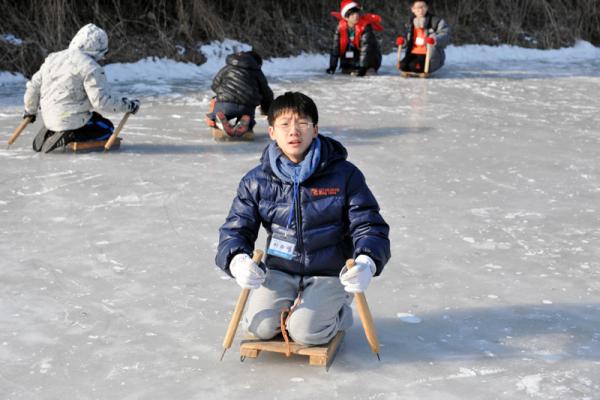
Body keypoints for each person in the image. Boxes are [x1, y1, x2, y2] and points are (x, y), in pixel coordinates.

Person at [215, 92, 390, 346]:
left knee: (306, 332)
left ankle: (339, 313)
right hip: (281, 269)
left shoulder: (344, 175)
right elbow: (235, 229)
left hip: (329, 272)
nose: (294, 131)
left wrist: (367, 261)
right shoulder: (256, 181)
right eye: (284, 124)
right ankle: (296, 310)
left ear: (315, 130)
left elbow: (369, 225)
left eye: (303, 123)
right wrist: (237, 260)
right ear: (272, 132)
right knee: (259, 327)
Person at [23, 23, 140, 153]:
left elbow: (33, 87)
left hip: (48, 116)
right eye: (103, 52)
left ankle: (54, 129)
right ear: (97, 49)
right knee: (107, 128)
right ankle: (72, 134)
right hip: (70, 118)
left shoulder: (52, 58)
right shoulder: (90, 67)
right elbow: (101, 102)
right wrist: (128, 106)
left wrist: (30, 111)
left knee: (91, 117)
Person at [206, 50, 273, 138]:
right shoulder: (257, 71)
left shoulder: (228, 67)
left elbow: (215, 84)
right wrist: (266, 110)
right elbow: (266, 93)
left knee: (216, 115)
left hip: (225, 105)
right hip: (246, 107)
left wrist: (222, 93)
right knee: (248, 119)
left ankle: (219, 125)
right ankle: (246, 127)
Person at [327, 1, 383, 76]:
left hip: (370, 57)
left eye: (357, 13)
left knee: (368, 71)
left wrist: (363, 68)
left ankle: (368, 68)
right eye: (352, 14)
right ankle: (351, 68)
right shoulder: (340, 28)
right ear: (346, 17)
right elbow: (335, 48)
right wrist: (332, 66)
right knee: (346, 70)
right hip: (352, 57)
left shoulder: (365, 27)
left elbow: (366, 49)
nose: (356, 16)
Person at [397, 0, 450, 74]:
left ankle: (420, 67)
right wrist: (403, 42)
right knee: (402, 66)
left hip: (429, 54)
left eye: (423, 7)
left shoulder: (436, 21)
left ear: (427, 8)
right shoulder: (409, 23)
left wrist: (434, 40)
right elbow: (407, 38)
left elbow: (445, 34)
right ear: (413, 9)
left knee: (414, 66)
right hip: (413, 52)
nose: (421, 10)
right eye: (418, 7)